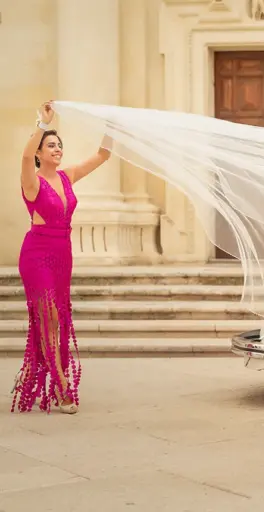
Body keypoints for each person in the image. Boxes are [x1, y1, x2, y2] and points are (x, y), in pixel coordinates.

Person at [10, 101, 112, 414]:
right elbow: (25, 156)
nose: (57, 149)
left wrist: (113, 129)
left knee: (55, 320)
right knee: (49, 317)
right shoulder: (32, 181)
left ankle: (29, 373)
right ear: (40, 152)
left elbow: (102, 156)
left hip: (62, 256)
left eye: (59, 145)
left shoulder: (67, 177)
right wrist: (42, 122)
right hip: (37, 255)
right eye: (50, 145)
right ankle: (61, 387)